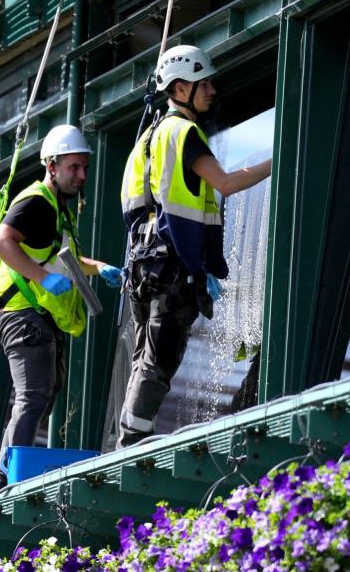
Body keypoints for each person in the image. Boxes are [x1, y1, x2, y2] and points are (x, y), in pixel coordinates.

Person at [117, 45, 272, 448]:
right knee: (159, 360)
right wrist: (280, 157)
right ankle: (132, 444)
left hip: (142, 267)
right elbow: (226, 183)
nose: (212, 90)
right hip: (169, 266)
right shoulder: (183, 132)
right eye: (204, 84)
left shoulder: (146, 140)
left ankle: (131, 434)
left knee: (144, 360)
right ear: (181, 88)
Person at [0, 124, 123, 492]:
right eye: (73, 168)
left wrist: (99, 268)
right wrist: (42, 279)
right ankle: (4, 484)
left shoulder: (58, 211)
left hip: (34, 315)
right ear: (52, 167)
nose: (81, 176)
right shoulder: (36, 202)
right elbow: (3, 242)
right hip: (22, 312)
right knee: (33, 395)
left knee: (39, 394)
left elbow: (63, 257)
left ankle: (7, 474)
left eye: (84, 168)